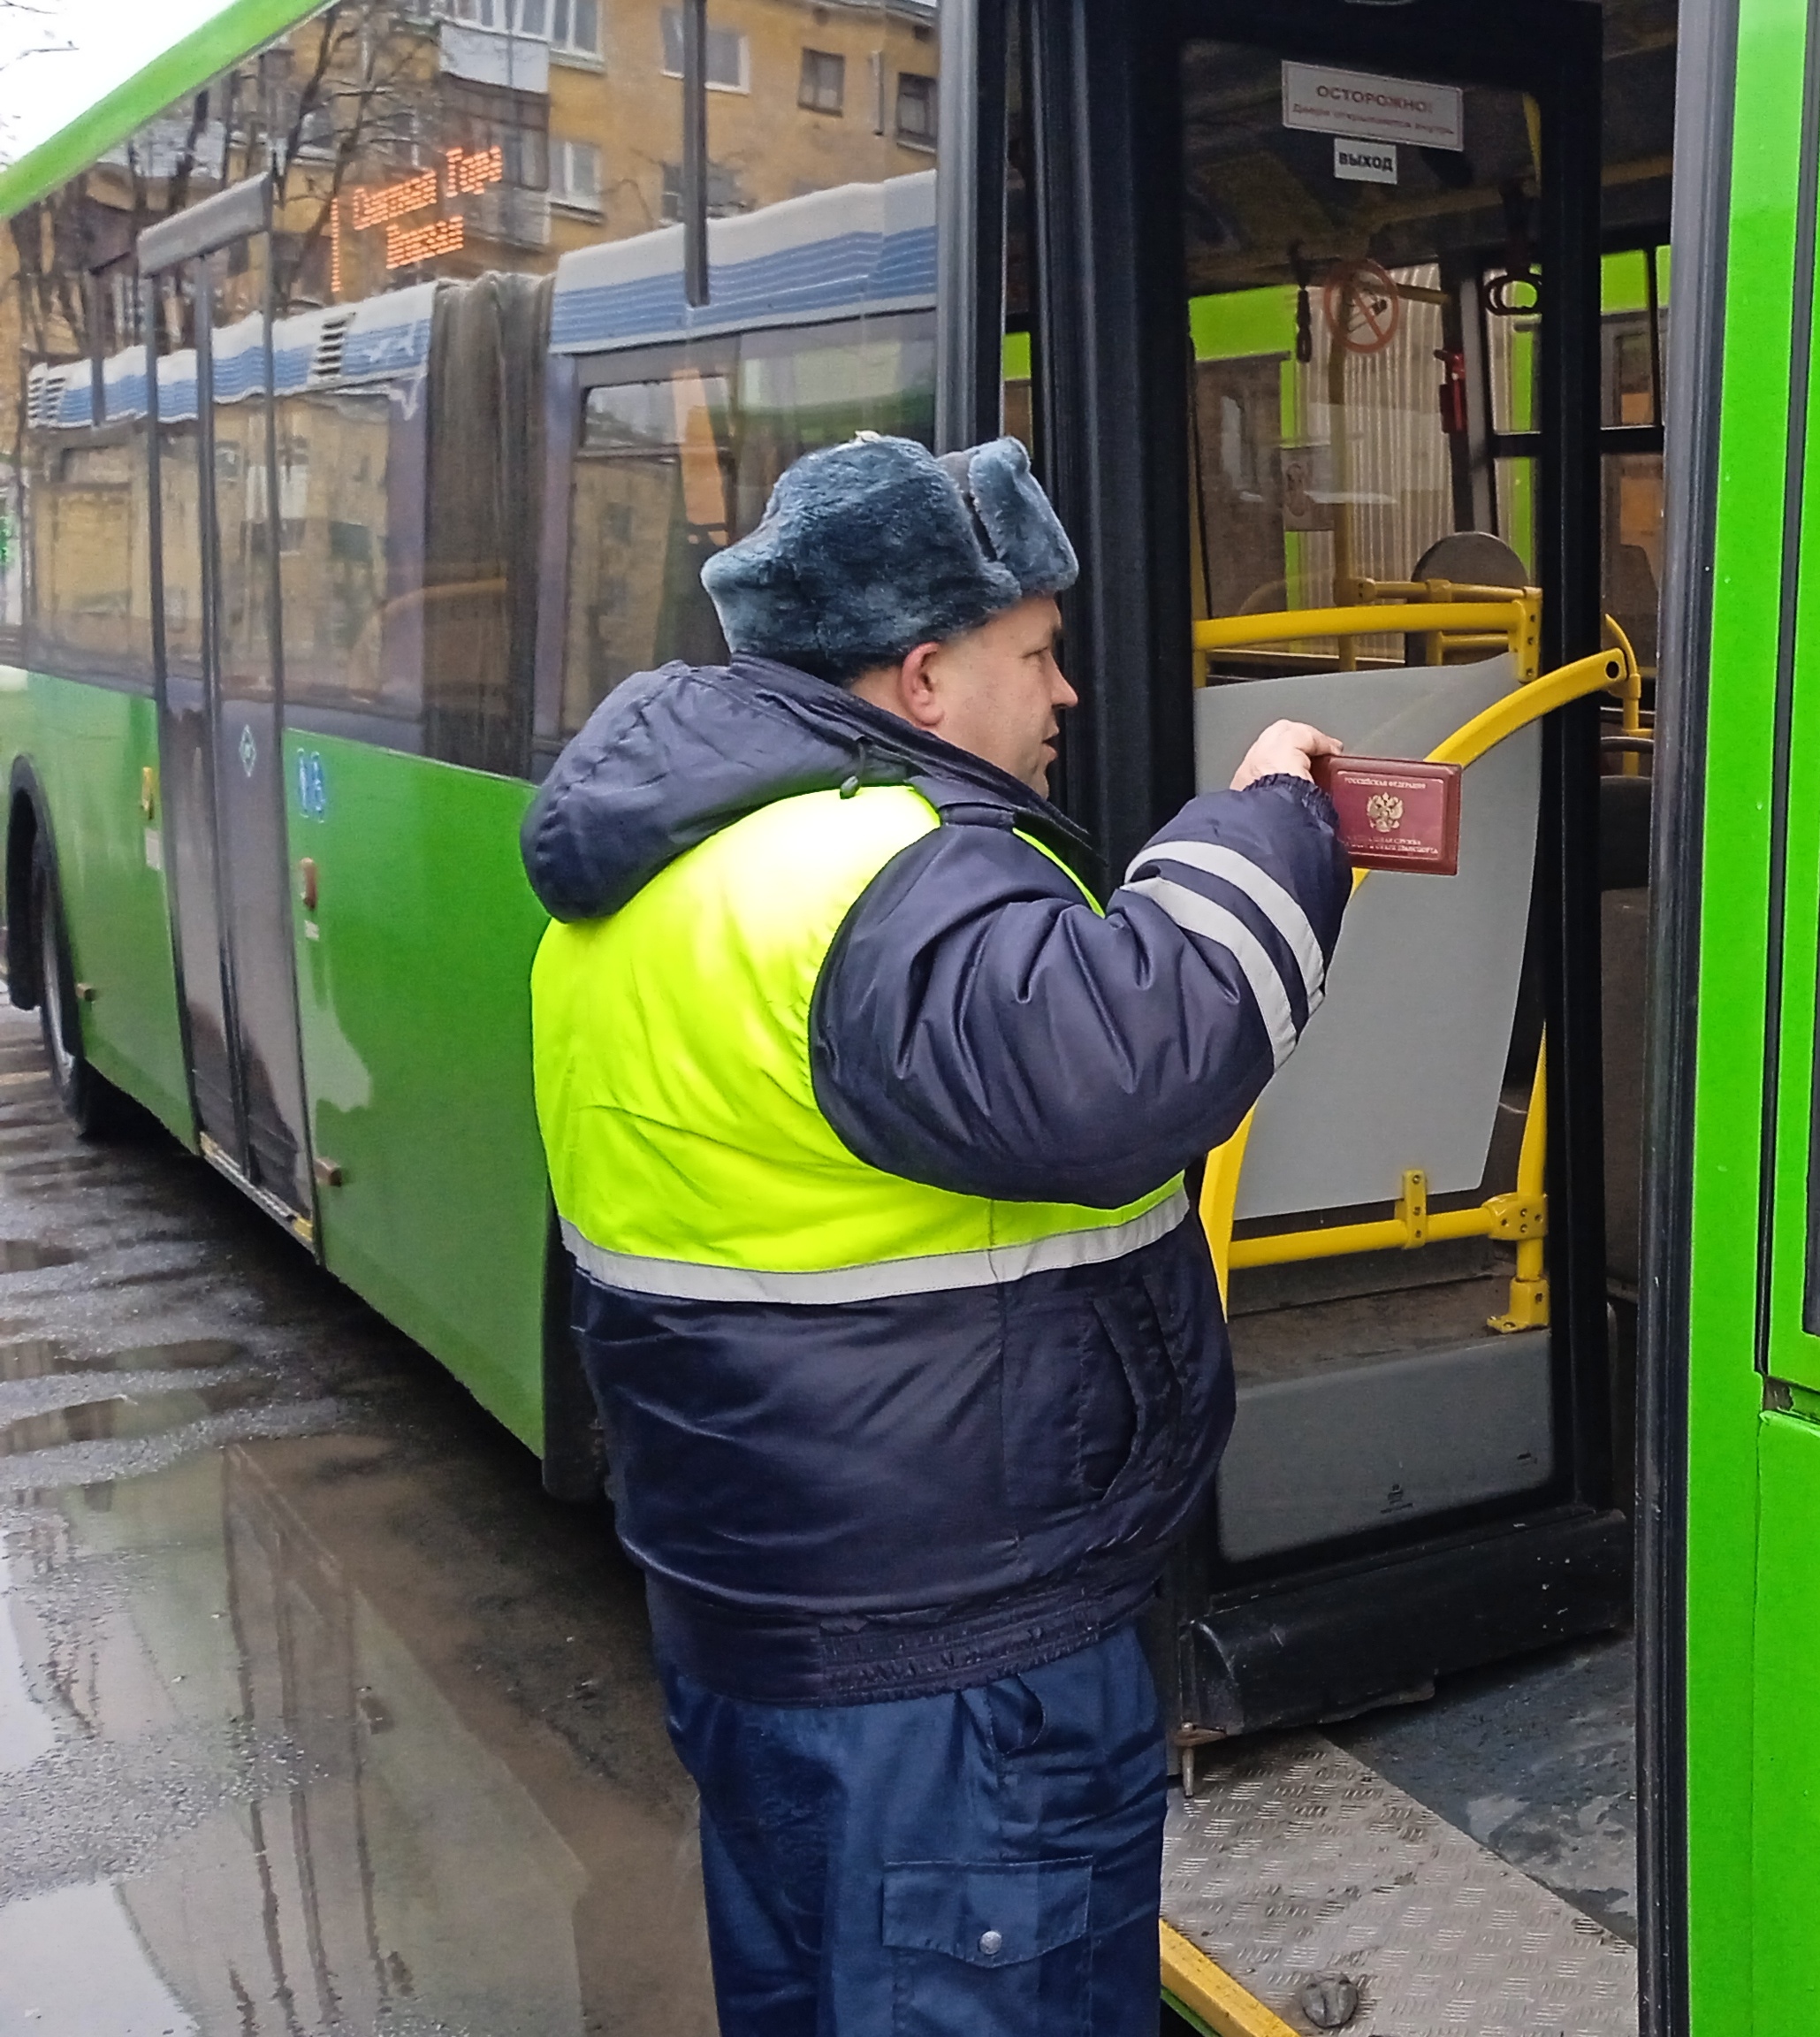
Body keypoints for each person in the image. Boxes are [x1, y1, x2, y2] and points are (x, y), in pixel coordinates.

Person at [522, 431, 1348, 2037]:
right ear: (922, 679)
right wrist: (1266, 834)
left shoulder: (657, 872)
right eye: (1034, 654)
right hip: (954, 1662)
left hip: (765, 1614)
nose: (1063, 698)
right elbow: (1128, 1063)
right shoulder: (877, 877)